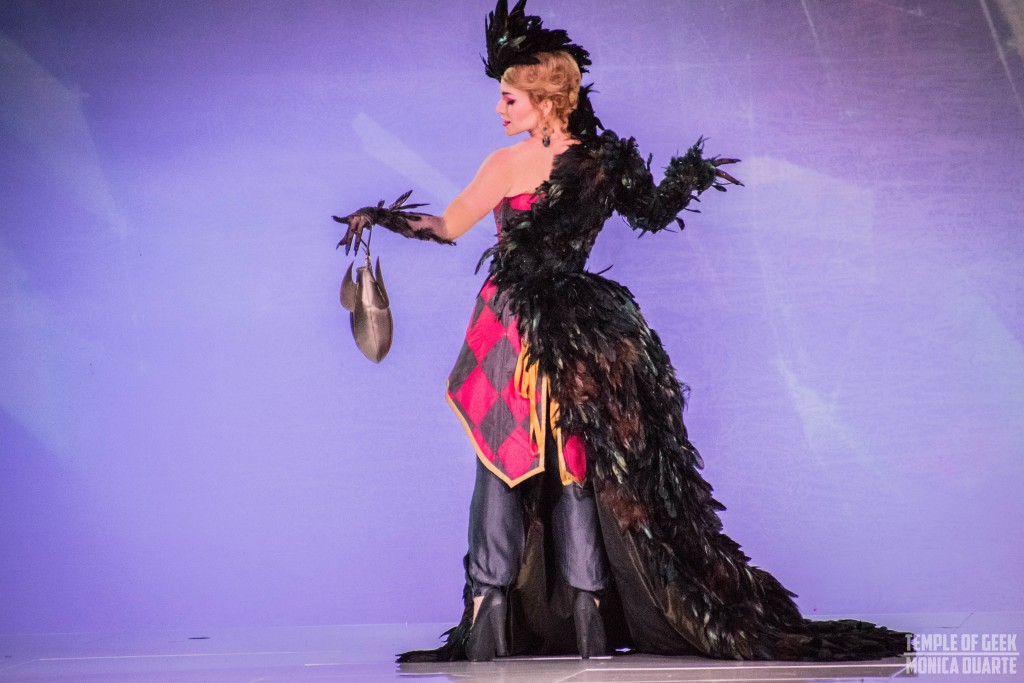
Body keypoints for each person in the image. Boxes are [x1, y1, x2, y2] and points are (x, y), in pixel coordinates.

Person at [335, 0, 912, 664]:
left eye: (509, 98)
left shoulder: (524, 164)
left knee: (528, 460)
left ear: (546, 101)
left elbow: (450, 226)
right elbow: (649, 211)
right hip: (567, 330)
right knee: (562, 461)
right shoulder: (595, 160)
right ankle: (578, 613)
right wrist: (690, 177)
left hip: (527, 327)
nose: (499, 109)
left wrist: (381, 218)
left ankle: (508, 609)